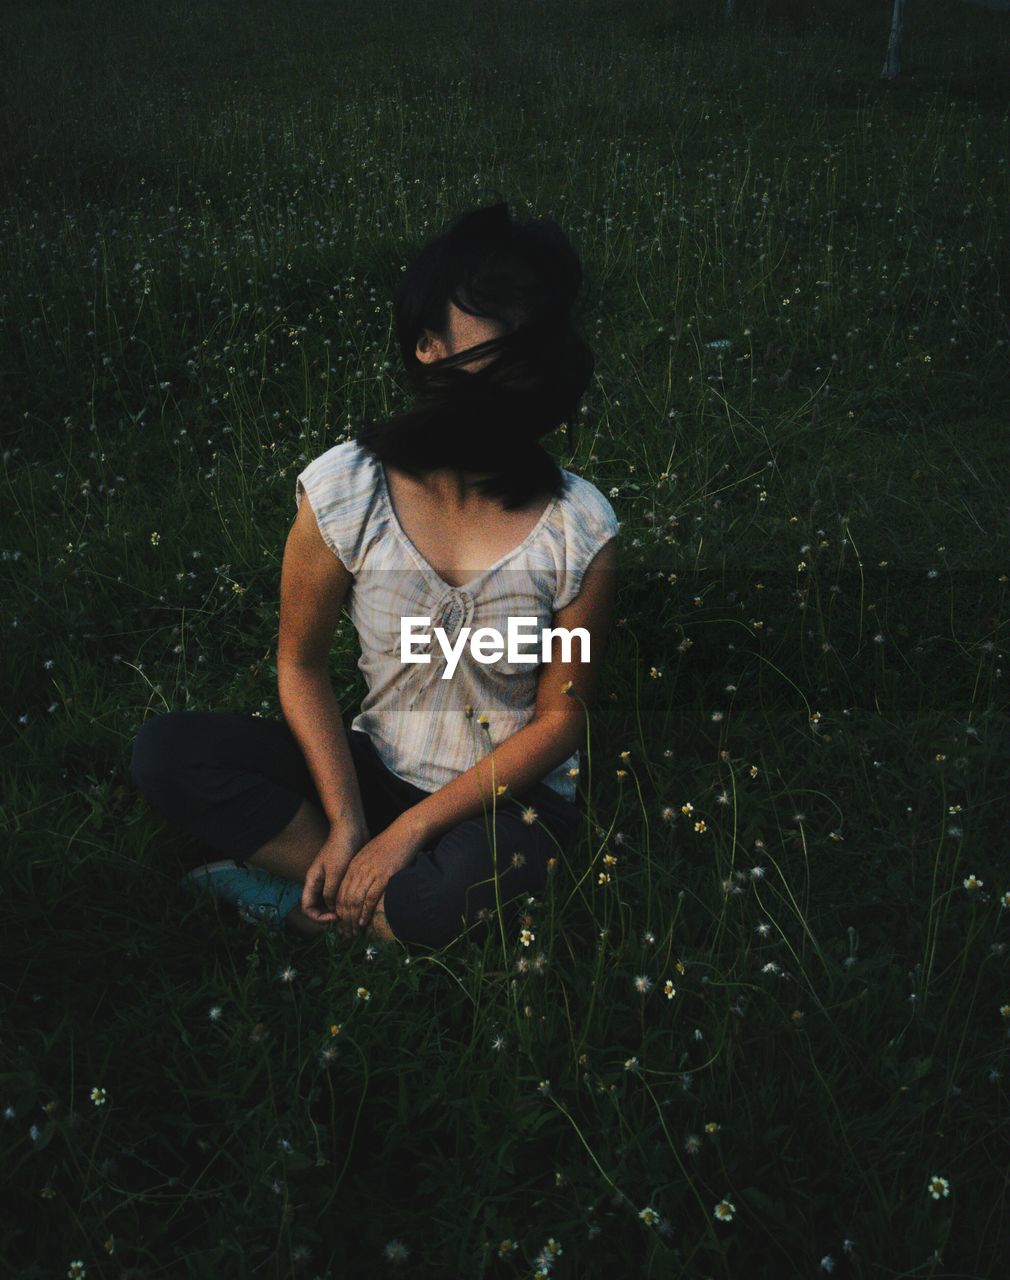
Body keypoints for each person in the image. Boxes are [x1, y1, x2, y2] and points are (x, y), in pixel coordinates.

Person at [130, 199, 620, 952]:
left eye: (541, 316)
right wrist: (352, 816)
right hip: (376, 768)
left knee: (450, 894)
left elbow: (560, 719)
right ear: (428, 344)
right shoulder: (345, 491)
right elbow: (299, 665)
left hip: (509, 805)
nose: (527, 336)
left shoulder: (580, 526)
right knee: (170, 754)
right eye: (499, 311)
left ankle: (299, 904)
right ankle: (369, 894)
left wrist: (417, 827)